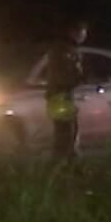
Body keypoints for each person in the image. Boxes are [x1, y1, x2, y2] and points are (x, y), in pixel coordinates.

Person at [44, 20, 87, 159]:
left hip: (62, 95)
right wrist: (77, 77)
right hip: (60, 96)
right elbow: (64, 75)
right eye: (82, 32)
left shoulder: (66, 49)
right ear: (73, 32)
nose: (84, 35)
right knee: (65, 133)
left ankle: (68, 161)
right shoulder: (64, 50)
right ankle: (63, 164)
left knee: (69, 132)